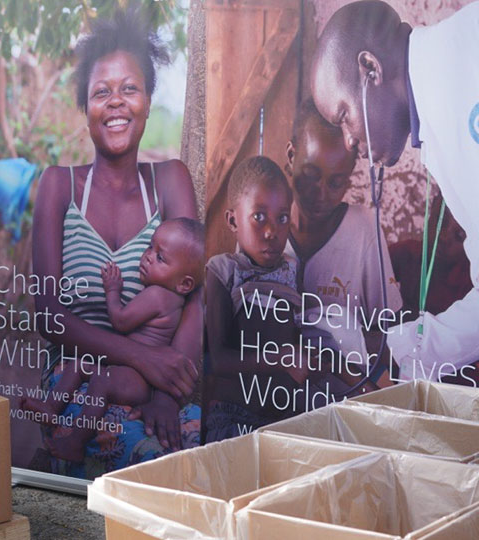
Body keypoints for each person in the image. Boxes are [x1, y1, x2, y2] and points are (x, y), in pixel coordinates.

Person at [31, 9, 202, 476]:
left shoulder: (170, 180)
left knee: (173, 457)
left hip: (155, 384)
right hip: (75, 380)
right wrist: (144, 358)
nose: (116, 103)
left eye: (129, 88)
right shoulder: (58, 186)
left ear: (148, 99)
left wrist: (167, 392)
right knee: (121, 448)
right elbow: (48, 312)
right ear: (85, 107)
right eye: (101, 92)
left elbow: (196, 300)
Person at [310, 1, 479, 381]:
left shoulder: (461, 91)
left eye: (343, 116)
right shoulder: (440, 105)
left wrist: (397, 350)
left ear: (371, 69)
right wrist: (400, 350)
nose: (349, 141)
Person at [22, 218, 205, 458]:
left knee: (100, 382)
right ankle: (51, 407)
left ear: (184, 284)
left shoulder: (157, 296)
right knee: (80, 365)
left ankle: (76, 441)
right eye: (151, 247)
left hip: (138, 376)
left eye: (161, 258)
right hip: (135, 369)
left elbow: (120, 320)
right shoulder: (171, 298)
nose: (148, 256)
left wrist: (112, 290)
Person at [282, 98, 400, 392]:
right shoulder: (265, 227)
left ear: (349, 181)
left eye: (336, 183)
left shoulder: (363, 231)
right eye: (310, 175)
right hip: (276, 392)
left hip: (344, 393)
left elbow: (390, 329)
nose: (320, 194)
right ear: (290, 156)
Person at [204, 156, 305, 442]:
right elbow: (218, 360)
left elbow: (298, 340)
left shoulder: (291, 270)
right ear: (232, 220)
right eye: (259, 217)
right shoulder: (223, 271)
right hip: (232, 418)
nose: (272, 231)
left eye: (282, 218)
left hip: (285, 420)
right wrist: (279, 360)